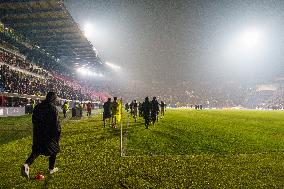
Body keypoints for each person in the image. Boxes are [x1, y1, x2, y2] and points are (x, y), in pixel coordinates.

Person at [21, 92, 61, 178]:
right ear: (53, 99)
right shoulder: (53, 108)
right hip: (49, 134)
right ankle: (51, 169)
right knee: (54, 149)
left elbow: (33, 120)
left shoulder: (38, 106)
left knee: (36, 151)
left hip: (38, 133)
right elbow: (56, 124)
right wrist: (57, 134)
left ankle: (26, 164)